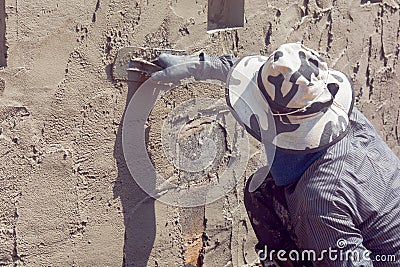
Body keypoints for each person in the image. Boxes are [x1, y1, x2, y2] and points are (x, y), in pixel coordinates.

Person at [154, 43, 400, 266]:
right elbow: (275, 80)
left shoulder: (318, 200)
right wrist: (200, 65)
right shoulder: (333, 108)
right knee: (261, 189)